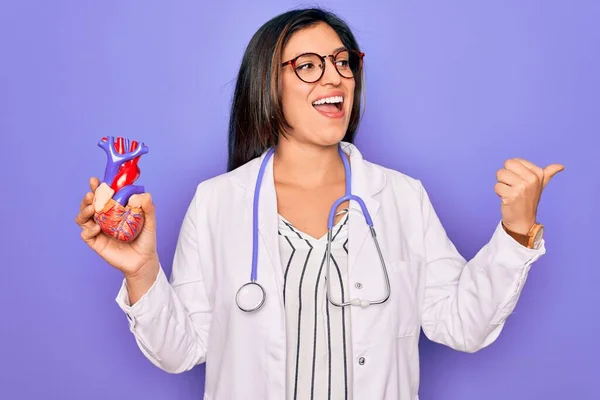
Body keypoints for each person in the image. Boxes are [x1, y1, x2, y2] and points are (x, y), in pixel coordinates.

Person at [75, 7, 564, 400]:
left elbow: (463, 325)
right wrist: (140, 272)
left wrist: (516, 232)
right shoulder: (218, 202)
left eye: (342, 61)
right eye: (308, 65)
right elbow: (180, 350)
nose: (334, 78)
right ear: (268, 84)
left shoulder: (400, 197)